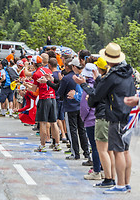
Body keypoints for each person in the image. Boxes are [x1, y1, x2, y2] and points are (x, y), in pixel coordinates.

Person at [74, 43, 136, 194]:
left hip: (116, 115)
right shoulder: (129, 73)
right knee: (125, 151)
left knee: (117, 151)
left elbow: (95, 97)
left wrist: (84, 86)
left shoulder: (112, 76)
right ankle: (126, 183)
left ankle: (120, 185)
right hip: (129, 115)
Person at [24, 55, 61, 152]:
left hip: (44, 98)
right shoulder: (48, 70)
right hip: (52, 97)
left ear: (33, 64)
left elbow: (34, 89)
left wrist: (26, 85)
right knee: (53, 122)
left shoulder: (36, 73)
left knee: (43, 123)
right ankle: (57, 144)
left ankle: (42, 145)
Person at [57, 58, 90, 160]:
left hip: (70, 106)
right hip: (81, 107)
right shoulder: (83, 77)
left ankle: (75, 152)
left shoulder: (67, 78)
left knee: (72, 131)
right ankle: (86, 152)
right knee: (82, 130)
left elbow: (59, 93)